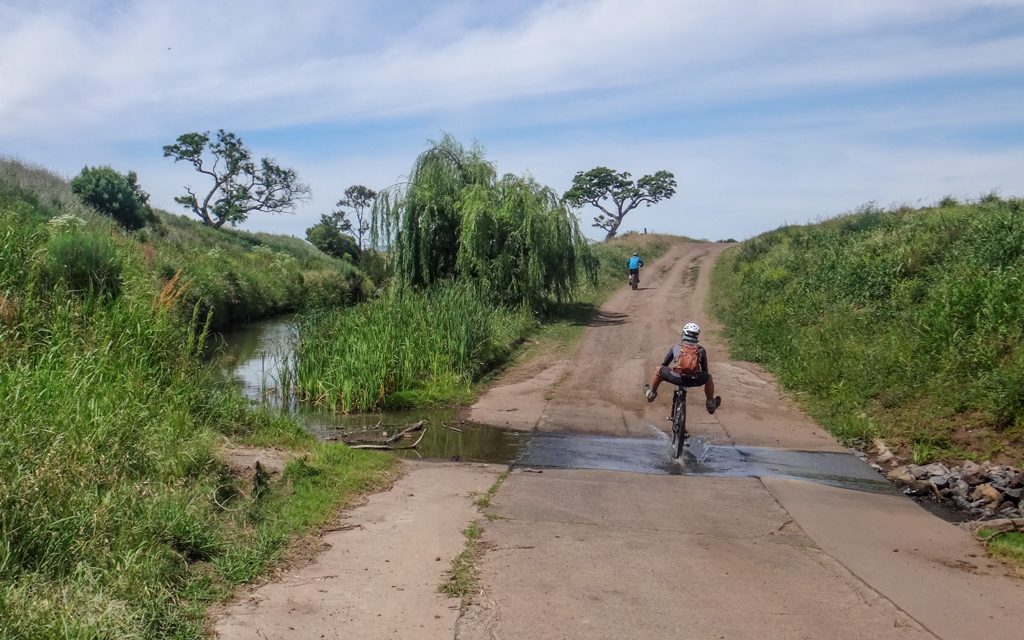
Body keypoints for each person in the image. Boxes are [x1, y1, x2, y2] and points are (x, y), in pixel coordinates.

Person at [644, 322, 721, 414]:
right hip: (694, 380)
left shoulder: (676, 347)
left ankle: (651, 394)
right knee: (709, 378)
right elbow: (705, 369)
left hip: (675, 377)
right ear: (697, 336)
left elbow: (665, 364)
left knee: (658, 369)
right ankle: (710, 404)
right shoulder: (701, 349)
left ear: (683, 333)